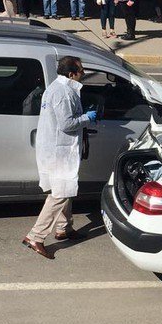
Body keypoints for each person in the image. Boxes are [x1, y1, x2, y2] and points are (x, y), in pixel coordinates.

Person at [23, 56, 98, 260]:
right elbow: (67, 124)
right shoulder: (64, 93)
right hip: (60, 151)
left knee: (66, 188)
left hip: (55, 149)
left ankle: (64, 228)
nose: (83, 74)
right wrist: (87, 118)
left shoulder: (57, 88)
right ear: (72, 73)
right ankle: (35, 236)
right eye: (81, 70)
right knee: (60, 193)